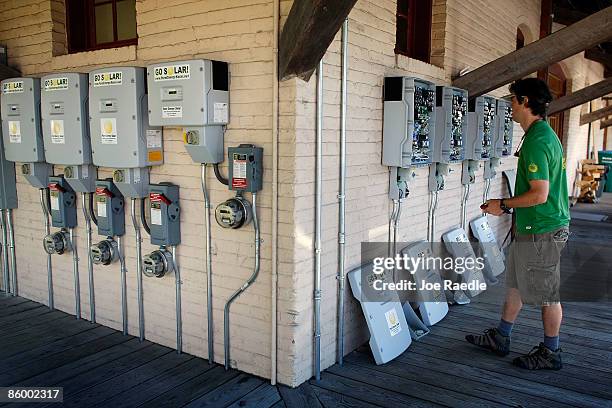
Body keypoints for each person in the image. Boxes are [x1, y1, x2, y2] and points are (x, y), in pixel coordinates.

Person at [465, 78, 570, 370]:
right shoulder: (542, 134)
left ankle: (551, 352)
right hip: (534, 226)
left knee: (547, 294)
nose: (509, 105)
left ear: (525, 102)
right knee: (516, 285)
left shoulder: (537, 141)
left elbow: (539, 194)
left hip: (543, 229)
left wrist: (504, 205)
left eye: (512, 99)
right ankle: (501, 336)